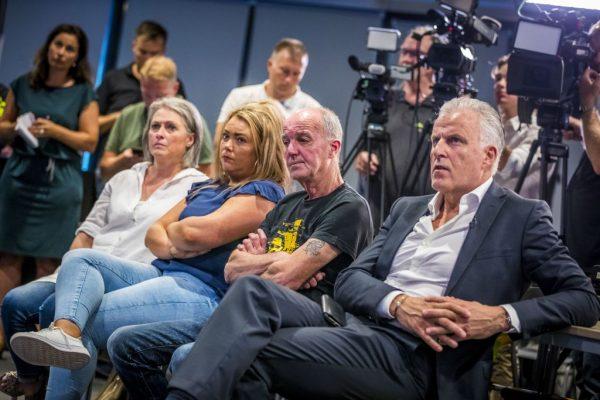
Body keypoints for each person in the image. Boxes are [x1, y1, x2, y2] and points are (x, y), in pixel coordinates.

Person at [166, 97, 600, 400]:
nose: (438, 152)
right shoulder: (409, 208)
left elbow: (583, 299)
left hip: (422, 361)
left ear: (489, 156)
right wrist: (398, 303)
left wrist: (502, 317)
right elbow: (353, 280)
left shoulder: (521, 216)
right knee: (251, 308)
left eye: (454, 142)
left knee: (246, 350)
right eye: (435, 141)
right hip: (363, 331)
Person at [10, 100, 288, 400]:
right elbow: (154, 233)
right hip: (160, 271)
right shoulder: (208, 187)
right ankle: (65, 333)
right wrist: (178, 245)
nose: (227, 146)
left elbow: (192, 231)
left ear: (261, 148)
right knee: (80, 260)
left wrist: (178, 236)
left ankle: (63, 342)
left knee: (73, 316)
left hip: (201, 292)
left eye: (241, 140)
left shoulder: (263, 191)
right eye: (226, 136)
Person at [106, 107, 373, 400]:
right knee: (125, 343)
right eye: (286, 141)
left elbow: (285, 276)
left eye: (303, 140)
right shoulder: (287, 204)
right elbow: (232, 270)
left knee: (186, 356)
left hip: (303, 322)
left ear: (333, 147)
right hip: (243, 314)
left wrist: (266, 264)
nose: (292, 150)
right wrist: (281, 260)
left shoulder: (348, 207)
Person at [0, 97, 206, 399]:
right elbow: (87, 232)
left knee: (50, 310)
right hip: (83, 268)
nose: (159, 133)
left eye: (170, 127)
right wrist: (63, 273)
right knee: (15, 302)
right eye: (155, 126)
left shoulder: (196, 186)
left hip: (132, 279)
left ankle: (51, 388)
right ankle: (33, 382)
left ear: (190, 139)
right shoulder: (124, 177)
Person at [0, 24, 98, 336]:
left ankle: (39, 336)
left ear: (77, 58)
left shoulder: (84, 92)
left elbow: (90, 141)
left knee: (48, 264)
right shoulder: (23, 84)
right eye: (58, 44)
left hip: (60, 184)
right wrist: (17, 127)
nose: (62, 52)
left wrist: (54, 131)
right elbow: (2, 126)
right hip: (20, 176)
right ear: (48, 46)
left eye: (70, 49)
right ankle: (2, 333)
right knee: (8, 257)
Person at [355, 25, 438, 226]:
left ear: (433, 61)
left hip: (422, 219)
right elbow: (365, 149)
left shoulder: (441, 110)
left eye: (415, 53)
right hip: (377, 214)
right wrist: (364, 158)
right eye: (404, 52)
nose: (406, 59)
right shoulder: (385, 100)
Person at [100, 56, 212, 180]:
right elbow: (104, 171)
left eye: (160, 96)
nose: (153, 102)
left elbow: (207, 174)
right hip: (127, 191)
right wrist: (122, 161)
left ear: (175, 88)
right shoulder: (128, 114)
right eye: (147, 94)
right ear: (141, 85)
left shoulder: (194, 119)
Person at [567, 19, 600, 400]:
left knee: (595, 380)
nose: (591, 57)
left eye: (597, 47)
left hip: (597, 261)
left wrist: (588, 107)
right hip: (586, 258)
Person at [215, 38, 320, 137]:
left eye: (296, 74)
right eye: (284, 71)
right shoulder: (239, 97)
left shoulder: (313, 111)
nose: (289, 79)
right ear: (270, 65)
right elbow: (219, 141)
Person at [96, 20, 185, 135]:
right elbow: (90, 127)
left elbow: (184, 127)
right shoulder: (113, 78)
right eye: (143, 52)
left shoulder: (171, 83)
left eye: (154, 54)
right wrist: (124, 116)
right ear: (134, 46)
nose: (147, 58)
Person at [492, 54, 545, 199]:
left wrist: (481, 133)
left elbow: (514, 165)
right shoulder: (496, 125)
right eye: (498, 78)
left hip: (519, 217)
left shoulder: (539, 129)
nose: (501, 84)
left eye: (509, 79)